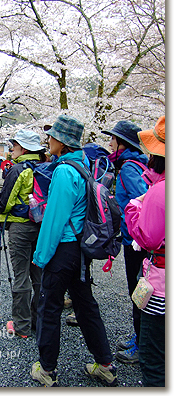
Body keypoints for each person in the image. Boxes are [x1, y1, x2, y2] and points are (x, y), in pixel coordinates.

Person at [31, 115, 117, 387]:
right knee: (85, 306)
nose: (48, 140)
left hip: (63, 251)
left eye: (52, 136)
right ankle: (105, 365)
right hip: (79, 251)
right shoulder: (82, 164)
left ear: (62, 141)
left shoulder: (64, 171)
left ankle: (47, 370)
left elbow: (54, 220)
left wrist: (41, 257)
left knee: (49, 306)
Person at [101, 121, 148, 364]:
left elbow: (141, 200)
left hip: (136, 242)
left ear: (123, 143)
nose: (109, 143)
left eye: (113, 139)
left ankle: (142, 345)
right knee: (140, 290)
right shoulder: (137, 162)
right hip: (139, 240)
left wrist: (130, 231)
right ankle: (140, 337)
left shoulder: (129, 167)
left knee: (138, 291)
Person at [124, 115, 165, 387]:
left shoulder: (160, 191)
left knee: (154, 360)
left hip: (161, 287)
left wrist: (134, 208)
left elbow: (148, 238)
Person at [0, 129, 45, 339]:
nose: (11, 148)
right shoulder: (46, 168)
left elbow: (5, 203)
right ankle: (39, 321)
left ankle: (21, 326)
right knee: (39, 276)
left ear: (23, 148)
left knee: (21, 275)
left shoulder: (19, 169)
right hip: (41, 226)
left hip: (21, 227)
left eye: (14, 145)